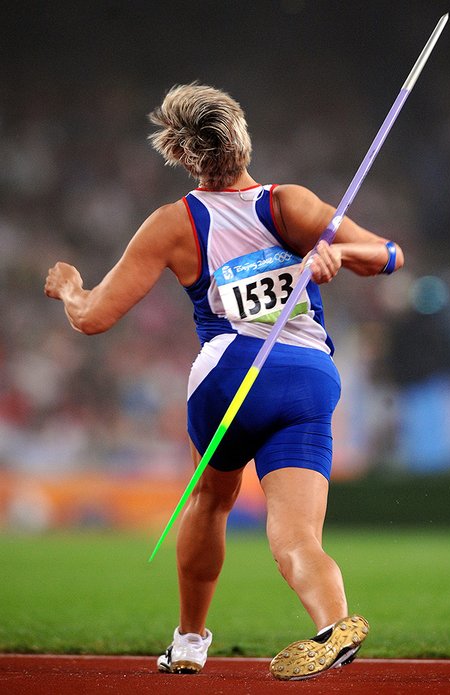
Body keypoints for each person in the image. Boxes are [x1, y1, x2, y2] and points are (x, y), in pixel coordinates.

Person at [44, 83, 402, 680]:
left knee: (211, 500)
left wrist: (67, 288)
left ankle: (188, 642)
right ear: (242, 136)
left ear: (183, 155)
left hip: (230, 374)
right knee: (297, 539)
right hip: (309, 377)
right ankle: (332, 622)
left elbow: (92, 318)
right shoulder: (290, 205)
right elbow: (389, 254)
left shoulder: (171, 224)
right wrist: (342, 256)